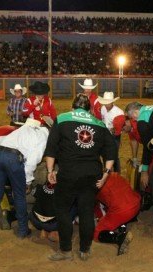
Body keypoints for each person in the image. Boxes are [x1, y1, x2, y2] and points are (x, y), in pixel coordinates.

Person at [45, 94, 116, 262]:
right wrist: (105, 175)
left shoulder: (62, 119)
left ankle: (66, 250)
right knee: (86, 211)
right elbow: (111, 152)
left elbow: (51, 148)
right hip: (91, 174)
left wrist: (50, 170)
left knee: (62, 210)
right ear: (89, 109)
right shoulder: (99, 124)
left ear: (72, 107)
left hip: (69, 173)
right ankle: (85, 249)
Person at [0, 118, 50, 246]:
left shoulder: (25, 128)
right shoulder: (43, 136)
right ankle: (22, 230)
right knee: (20, 196)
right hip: (13, 159)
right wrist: (28, 181)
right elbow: (32, 161)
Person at [95, 172, 141, 255]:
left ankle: (119, 237)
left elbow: (98, 210)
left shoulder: (94, 185)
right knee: (114, 206)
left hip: (124, 211)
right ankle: (122, 225)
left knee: (96, 233)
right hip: (136, 204)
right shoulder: (113, 174)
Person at [99, 91, 126, 173]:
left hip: (115, 137)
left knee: (114, 156)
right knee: (104, 154)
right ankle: (107, 172)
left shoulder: (119, 112)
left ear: (113, 102)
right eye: (105, 103)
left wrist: (115, 129)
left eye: (108, 103)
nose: (106, 105)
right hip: (104, 135)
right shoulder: (103, 108)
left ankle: (117, 174)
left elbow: (121, 127)